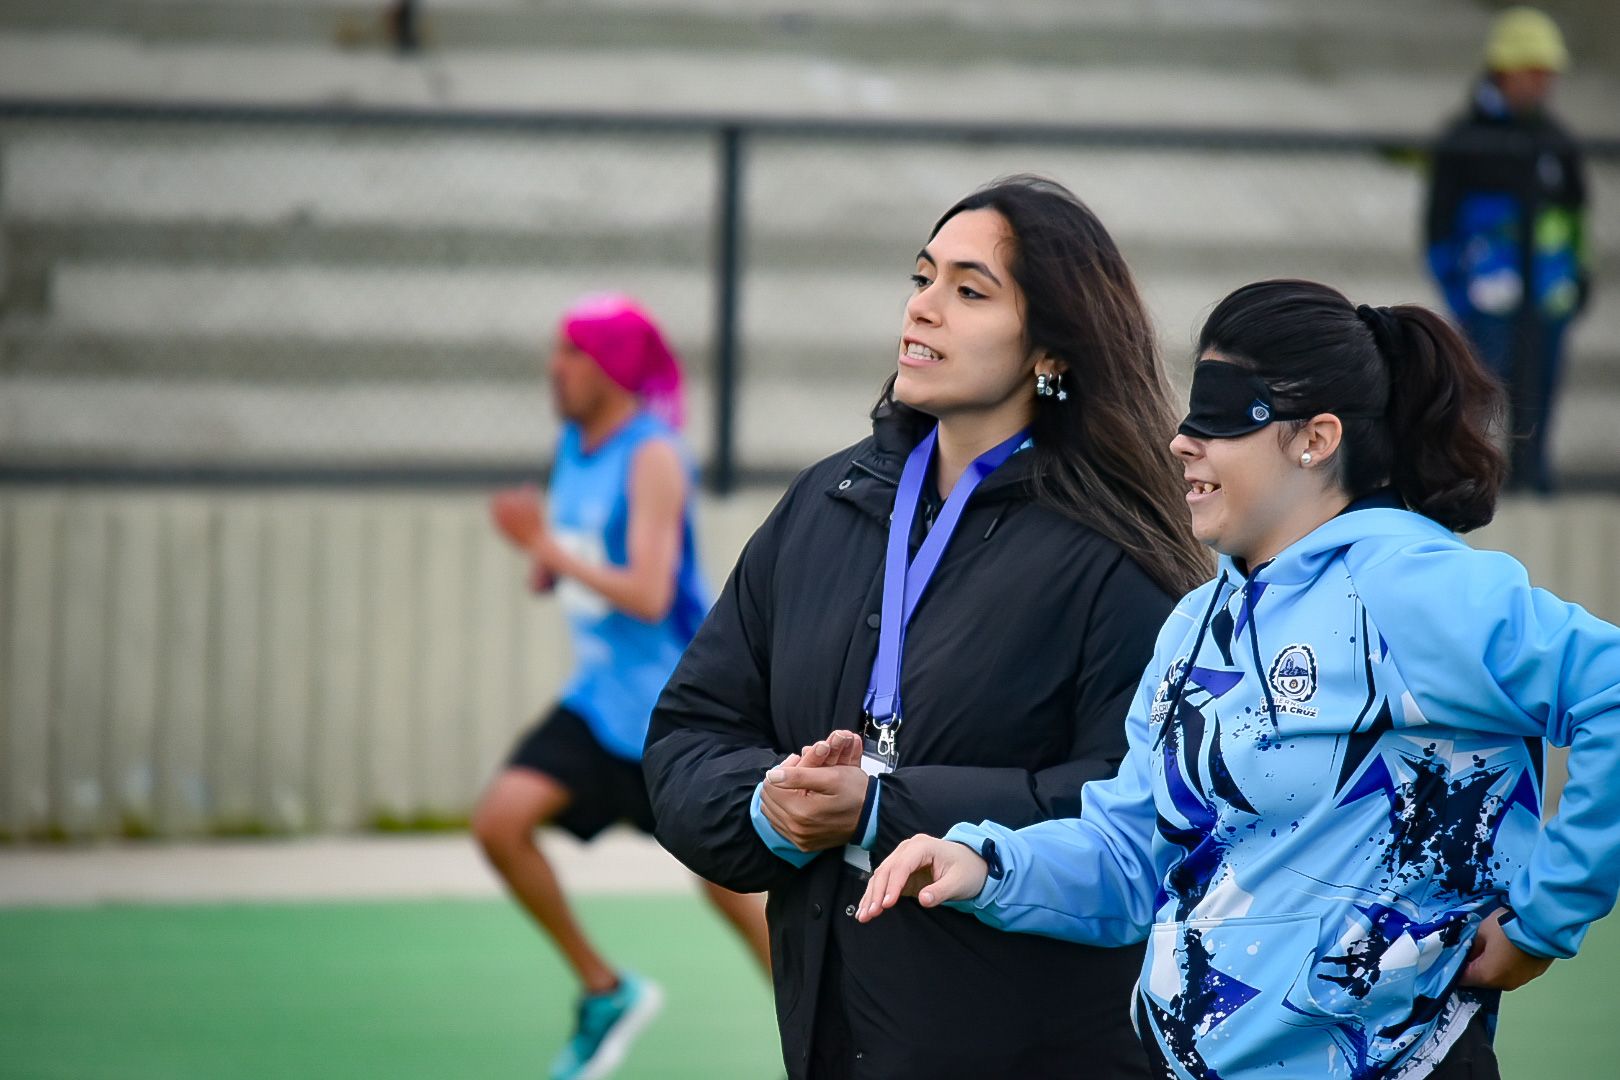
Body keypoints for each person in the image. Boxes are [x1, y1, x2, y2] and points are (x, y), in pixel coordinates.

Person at [861, 280, 1620, 1080]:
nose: (1183, 441)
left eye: (1224, 415)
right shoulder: (1195, 624)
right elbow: (1129, 856)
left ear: (1316, 439)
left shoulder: (1411, 586)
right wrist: (986, 864)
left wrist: (1543, 921)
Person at [642, 176, 1212, 1080]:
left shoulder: (1121, 556)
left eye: (969, 289)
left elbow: (1139, 819)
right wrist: (772, 806)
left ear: (1052, 350)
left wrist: (881, 809)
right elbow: (687, 737)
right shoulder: (824, 505)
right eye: (922, 278)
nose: (925, 308)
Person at [473, 293, 771, 1080]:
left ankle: (834, 1036)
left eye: (571, 354)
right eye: (555, 351)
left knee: (733, 898)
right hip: (598, 705)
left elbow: (645, 590)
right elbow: (589, 554)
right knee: (500, 823)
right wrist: (554, 563)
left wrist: (544, 546)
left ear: (612, 367)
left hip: (677, 718)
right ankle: (605, 990)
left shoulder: (655, 456)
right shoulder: (575, 443)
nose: (555, 369)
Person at [1425, 5, 1590, 492]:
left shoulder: (1557, 141)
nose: (1543, 83)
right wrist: (1461, 294)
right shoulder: (1464, 140)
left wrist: (1578, 283)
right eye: (1534, 71)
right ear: (1504, 69)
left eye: (1549, 73)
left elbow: (1577, 222)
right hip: (1486, 309)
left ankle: (1533, 485)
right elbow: (1438, 230)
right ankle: (1475, 489)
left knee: (1538, 402)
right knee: (1479, 404)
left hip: (1546, 305)